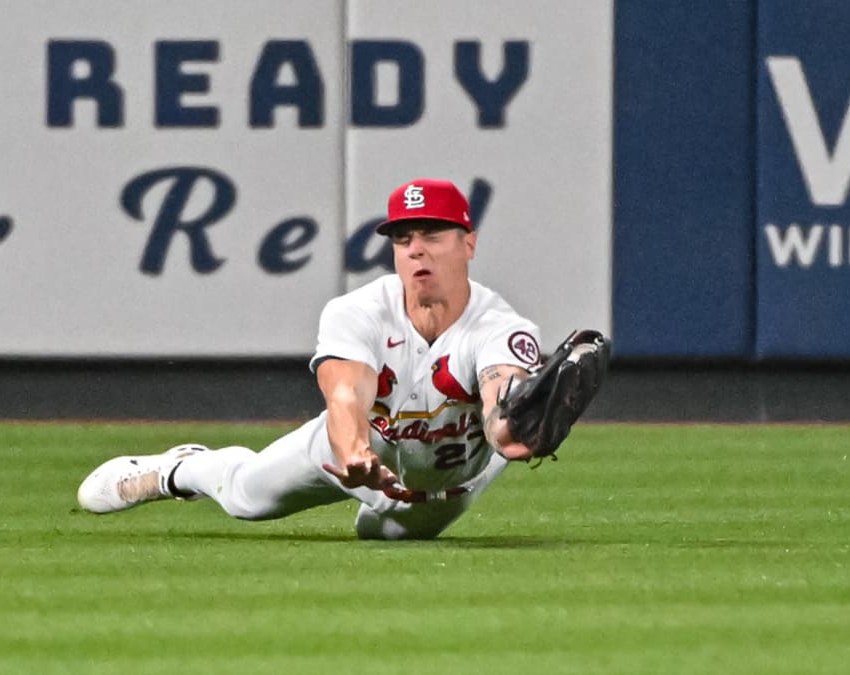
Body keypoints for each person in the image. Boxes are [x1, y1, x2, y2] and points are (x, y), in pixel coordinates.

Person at [77, 178, 546, 540]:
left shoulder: (500, 326)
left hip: (446, 486)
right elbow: (345, 396)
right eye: (403, 239)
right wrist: (354, 451)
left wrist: (515, 431)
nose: (416, 249)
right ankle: (178, 470)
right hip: (349, 450)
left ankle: (391, 514)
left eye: (431, 234)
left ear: (468, 243)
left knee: (382, 535)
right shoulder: (357, 312)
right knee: (247, 498)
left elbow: (499, 400)